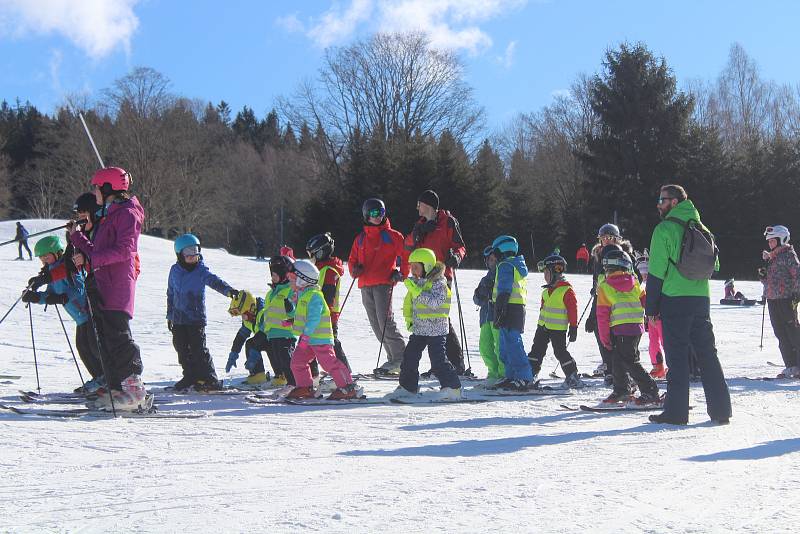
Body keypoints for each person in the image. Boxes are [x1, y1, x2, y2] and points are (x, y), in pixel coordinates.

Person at [645, 184, 731, 425]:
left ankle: (676, 412)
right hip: (701, 300)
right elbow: (714, 266)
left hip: (675, 300)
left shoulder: (664, 229)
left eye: (662, 200)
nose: (659, 204)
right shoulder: (703, 228)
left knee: (677, 357)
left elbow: (656, 273)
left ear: (674, 202)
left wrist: (651, 308)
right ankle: (721, 410)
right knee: (708, 355)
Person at [68, 167, 146, 411]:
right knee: (105, 338)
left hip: (117, 285)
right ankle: (117, 387)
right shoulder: (112, 213)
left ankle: (134, 389)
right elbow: (96, 253)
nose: (94, 192)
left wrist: (95, 257)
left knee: (118, 336)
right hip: (104, 284)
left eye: (96, 187)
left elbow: (125, 250)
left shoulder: (127, 213)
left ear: (108, 187)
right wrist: (77, 237)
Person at [21, 235, 104, 391]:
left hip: (87, 313)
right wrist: (35, 297)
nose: (44, 260)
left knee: (94, 348)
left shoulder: (68, 267)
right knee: (83, 348)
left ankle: (106, 379)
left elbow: (79, 289)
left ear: (57, 253)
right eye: (41, 257)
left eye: (47, 255)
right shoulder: (51, 272)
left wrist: (61, 298)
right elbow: (50, 294)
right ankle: (99, 379)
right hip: (79, 319)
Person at [404, 189, 469, 375]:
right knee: (430, 319)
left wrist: (456, 257)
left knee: (440, 319)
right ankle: (440, 365)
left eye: (420, 204)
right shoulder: (420, 224)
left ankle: (455, 364)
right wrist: (417, 233)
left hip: (441, 275)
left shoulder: (448, 221)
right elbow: (407, 246)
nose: (417, 208)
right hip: (422, 278)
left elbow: (461, 246)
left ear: (429, 205)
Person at [167, 234, 239, 391]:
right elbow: (170, 293)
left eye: (195, 251)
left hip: (195, 318)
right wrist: (169, 315)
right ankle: (190, 375)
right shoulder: (174, 270)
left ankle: (210, 378)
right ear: (179, 254)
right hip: (178, 318)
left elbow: (215, 282)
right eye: (188, 252)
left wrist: (229, 291)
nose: (193, 256)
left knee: (199, 349)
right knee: (181, 348)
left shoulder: (201, 271)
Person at [387, 248, 462, 400]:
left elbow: (434, 303)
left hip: (436, 330)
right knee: (409, 357)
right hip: (420, 329)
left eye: (416, 267)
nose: (412, 271)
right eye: (411, 267)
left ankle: (453, 388)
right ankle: (408, 387)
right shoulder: (416, 283)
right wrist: (410, 321)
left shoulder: (440, 283)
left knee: (438, 360)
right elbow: (409, 304)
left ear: (427, 266)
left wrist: (417, 292)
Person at [349, 198, 408, 375]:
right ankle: (393, 359)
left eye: (381, 213)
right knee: (376, 324)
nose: (377, 217)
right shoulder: (360, 239)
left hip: (383, 283)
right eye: (374, 213)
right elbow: (352, 260)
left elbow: (405, 256)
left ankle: (401, 358)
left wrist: (401, 273)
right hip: (365, 284)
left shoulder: (392, 236)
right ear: (366, 215)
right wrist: (355, 270)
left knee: (385, 321)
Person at [285, 260, 359, 400]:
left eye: (292, 279)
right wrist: (292, 322)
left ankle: (347, 388)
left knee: (328, 363)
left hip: (320, 338)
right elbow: (303, 316)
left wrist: (306, 335)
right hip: (307, 338)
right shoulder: (302, 295)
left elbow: (314, 318)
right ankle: (305, 387)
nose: (290, 282)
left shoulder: (315, 296)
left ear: (303, 280)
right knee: (297, 361)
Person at [596, 249, 661, 406]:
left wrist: (604, 338)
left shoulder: (605, 287)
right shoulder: (634, 282)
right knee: (618, 359)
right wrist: (653, 313)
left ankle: (650, 390)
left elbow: (602, 316)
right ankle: (621, 389)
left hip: (621, 329)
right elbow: (644, 299)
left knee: (629, 361)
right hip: (636, 328)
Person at [229, 255, 298, 386]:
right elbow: (266, 318)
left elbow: (296, 311)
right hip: (272, 334)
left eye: (275, 275)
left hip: (286, 334)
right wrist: (234, 353)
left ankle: (291, 382)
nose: (272, 278)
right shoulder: (270, 294)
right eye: (272, 275)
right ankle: (267, 375)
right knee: (267, 350)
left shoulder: (290, 290)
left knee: (284, 358)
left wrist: (290, 307)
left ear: (285, 276)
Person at [585, 223, 635, 384]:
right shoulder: (598, 257)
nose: (606, 241)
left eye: (610, 238)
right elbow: (597, 280)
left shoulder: (625, 255)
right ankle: (609, 367)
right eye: (603, 238)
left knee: (620, 338)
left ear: (617, 239)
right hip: (603, 299)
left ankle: (625, 371)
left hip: (622, 303)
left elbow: (635, 280)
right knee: (601, 331)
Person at [526, 254, 583, 388]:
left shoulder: (566, 290)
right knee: (536, 350)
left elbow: (572, 310)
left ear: (556, 272)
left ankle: (572, 375)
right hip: (543, 327)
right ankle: (530, 373)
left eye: (547, 272)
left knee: (560, 352)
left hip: (558, 329)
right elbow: (543, 308)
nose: (545, 276)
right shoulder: (546, 291)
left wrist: (573, 327)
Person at [488, 236, 536, 390]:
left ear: (502, 250)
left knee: (512, 344)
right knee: (504, 345)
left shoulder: (506, 265)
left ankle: (524, 377)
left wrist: (500, 309)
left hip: (509, 307)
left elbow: (504, 288)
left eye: (495, 252)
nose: (493, 255)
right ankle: (511, 375)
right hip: (513, 307)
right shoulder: (514, 264)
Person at [759, 225, 800, 378]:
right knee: (780, 333)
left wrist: (797, 294)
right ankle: (791, 365)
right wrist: (763, 276)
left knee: (793, 332)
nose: (770, 244)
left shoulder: (788, 255)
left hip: (786, 299)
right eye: (768, 242)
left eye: (772, 241)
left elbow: (798, 275)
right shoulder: (772, 258)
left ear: (782, 239)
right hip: (773, 299)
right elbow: (769, 281)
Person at [307, 232, 350, 370]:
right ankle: (312, 375)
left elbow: (328, 296)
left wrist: (321, 313)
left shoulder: (328, 270)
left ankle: (344, 374)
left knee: (331, 344)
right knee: (312, 344)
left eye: (311, 254)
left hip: (326, 315)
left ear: (320, 253)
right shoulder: (320, 269)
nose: (310, 258)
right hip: (318, 313)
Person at [226, 289, 271, 386]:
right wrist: (233, 354)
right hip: (263, 339)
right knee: (250, 343)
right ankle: (258, 375)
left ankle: (283, 375)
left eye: (244, 314)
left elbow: (264, 334)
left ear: (251, 308)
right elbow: (241, 337)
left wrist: (254, 354)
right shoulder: (249, 318)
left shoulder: (263, 313)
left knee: (273, 347)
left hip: (276, 339)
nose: (243, 317)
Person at [473, 245, 503, 384]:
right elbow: (476, 299)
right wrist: (480, 295)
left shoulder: (502, 275)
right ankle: (493, 371)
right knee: (485, 346)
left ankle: (503, 373)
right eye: (490, 260)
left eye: (494, 260)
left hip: (496, 317)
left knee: (499, 346)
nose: (492, 263)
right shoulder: (485, 279)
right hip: (485, 317)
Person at [636, 253, 666, 379]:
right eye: (642, 273)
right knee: (653, 340)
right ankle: (657, 365)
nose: (644, 275)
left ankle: (672, 365)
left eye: (646, 272)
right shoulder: (646, 285)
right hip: (651, 317)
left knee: (665, 341)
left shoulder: (659, 283)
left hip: (660, 316)